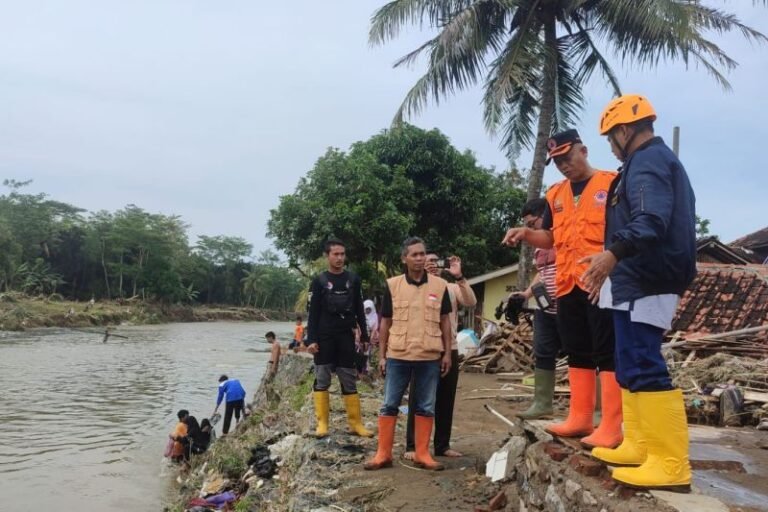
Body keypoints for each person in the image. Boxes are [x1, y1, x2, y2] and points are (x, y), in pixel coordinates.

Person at [581, 94, 696, 491]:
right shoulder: (640, 163)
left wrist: (611, 254)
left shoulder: (648, 161)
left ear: (625, 131)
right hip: (635, 278)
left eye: (610, 139)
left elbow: (651, 220)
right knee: (628, 360)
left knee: (644, 363)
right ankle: (640, 444)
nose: (610, 147)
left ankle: (669, 462)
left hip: (651, 277)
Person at [502, 129, 622, 450]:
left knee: (607, 350)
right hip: (568, 285)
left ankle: (611, 424)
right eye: (556, 161)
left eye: (567, 158)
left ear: (583, 150)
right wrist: (526, 234)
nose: (563, 166)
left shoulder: (611, 183)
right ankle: (580, 417)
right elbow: (552, 239)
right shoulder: (555, 194)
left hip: (601, 281)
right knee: (577, 349)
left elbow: (623, 234)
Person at [364, 237, 452, 471]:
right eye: (414, 254)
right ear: (404, 258)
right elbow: (386, 322)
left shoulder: (439, 286)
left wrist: (447, 354)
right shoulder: (393, 285)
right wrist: (382, 356)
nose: (420, 258)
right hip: (398, 355)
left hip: (429, 356)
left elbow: (445, 321)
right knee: (389, 404)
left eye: (422, 254)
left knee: (426, 406)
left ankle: (422, 453)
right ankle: (383, 454)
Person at [404, 252, 476, 460]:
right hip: (423, 348)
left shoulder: (451, 287)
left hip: (449, 347)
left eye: (435, 262)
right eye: (428, 262)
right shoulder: (415, 288)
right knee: (418, 398)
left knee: (446, 397)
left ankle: (442, 445)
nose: (432, 265)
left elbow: (471, 302)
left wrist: (459, 277)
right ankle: (412, 445)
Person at [306, 238, 372, 438]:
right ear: (327, 256)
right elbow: (312, 313)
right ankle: (322, 424)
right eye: (335, 254)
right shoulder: (319, 281)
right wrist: (311, 340)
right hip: (325, 336)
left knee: (349, 378)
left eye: (342, 254)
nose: (340, 258)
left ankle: (355, 424)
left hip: (346, 336)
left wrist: (365, 335)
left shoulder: (353, 279)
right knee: (322, 377)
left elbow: (360, 308)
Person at [512, 198, 562, 420]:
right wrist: (526, 294)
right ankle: (542, 404)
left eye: (533, 223)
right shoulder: (539, 247)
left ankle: (595, 410)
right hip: (546, 308)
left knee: (586, 355)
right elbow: (542, 273)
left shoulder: (564, 235)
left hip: (571, 305)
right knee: (542, 353)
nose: (531, 229)